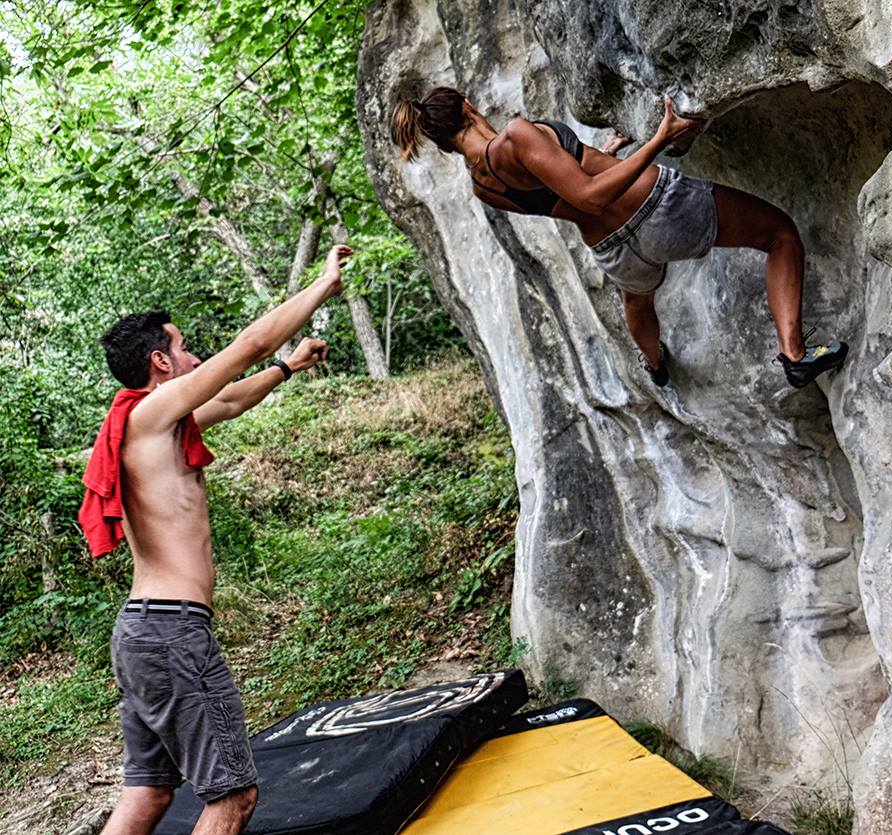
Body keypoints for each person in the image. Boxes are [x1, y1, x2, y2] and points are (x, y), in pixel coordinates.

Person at [80, 244, 352, 835]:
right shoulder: (151, 413)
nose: (193, 354)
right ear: (160, 361)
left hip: (142, 632)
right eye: (183, 347)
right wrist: (323, 286)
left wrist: (290, 367)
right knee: (234, 796)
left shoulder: (151, 422)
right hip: (174, 633)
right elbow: (247, 347)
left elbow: (231, 396)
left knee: (148, 794)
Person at [390, 87, 847, 389]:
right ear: (468, 106)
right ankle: (795, 354)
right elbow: (590, 194)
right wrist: (658, 138)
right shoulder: (514, 135)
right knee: (780, 234)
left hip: (613, 249)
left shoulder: (482, 185)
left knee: (638, 302)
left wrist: (597, 155)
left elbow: (559, 191)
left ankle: (656, 365)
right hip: (658, 209)